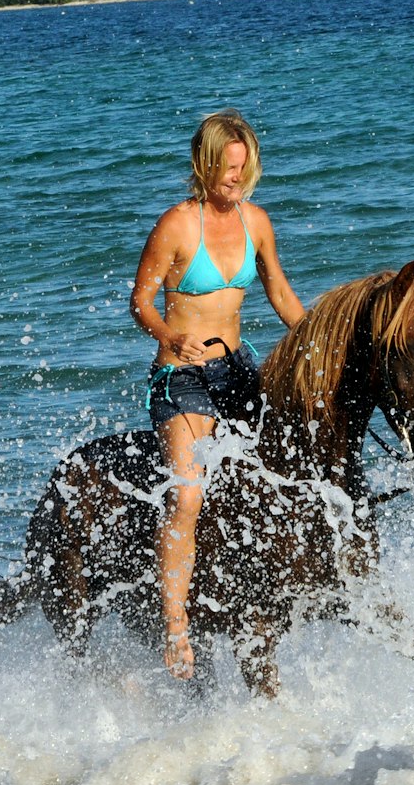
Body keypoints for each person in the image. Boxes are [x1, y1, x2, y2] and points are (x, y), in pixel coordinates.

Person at [130, 109, 306, 680]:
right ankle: (176, 627)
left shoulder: (256, 222)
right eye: (227, 168)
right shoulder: (178, 225)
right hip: (182, 378)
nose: (235, 178)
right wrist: (167, 335)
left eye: (243, 168)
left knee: (293, 463)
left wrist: (312, 341)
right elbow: (141, 300)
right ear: (205, 164)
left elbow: (277, 288)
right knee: (188, 497)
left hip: (237, 370)